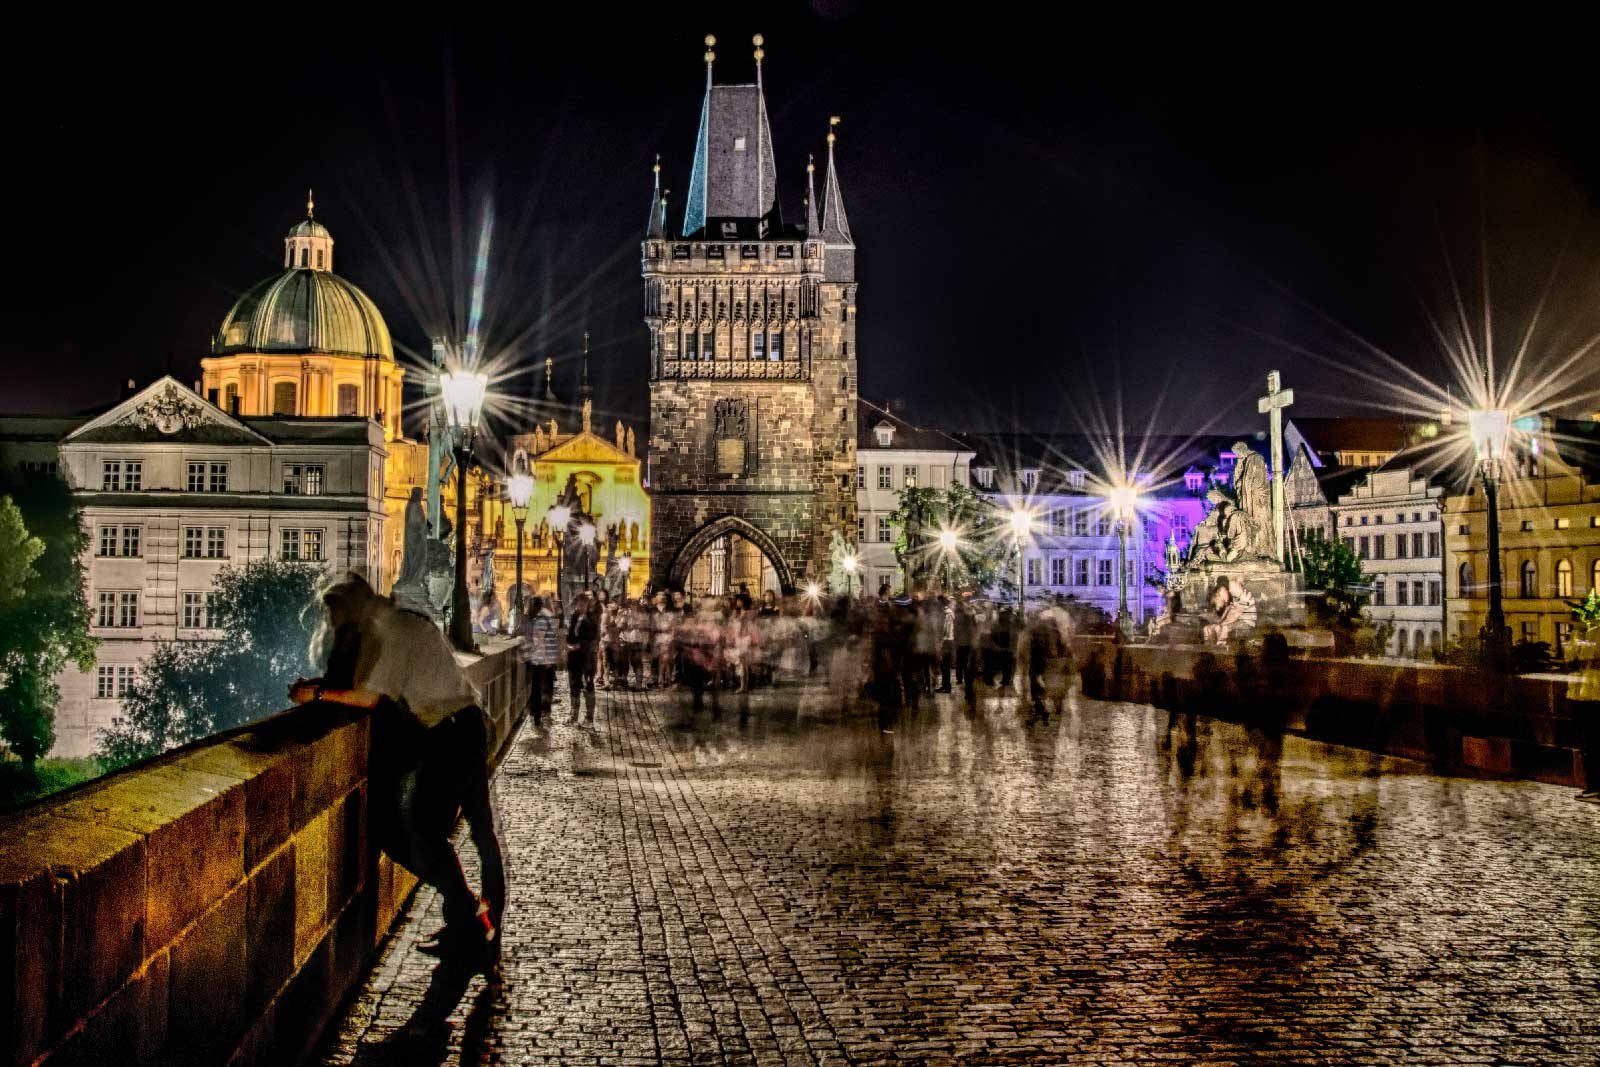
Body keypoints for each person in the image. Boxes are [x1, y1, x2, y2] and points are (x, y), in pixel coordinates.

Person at [289, 572, 505, 959]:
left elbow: (371, 696)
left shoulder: (393, 632)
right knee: (477, 828)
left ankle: (470, 918)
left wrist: (317, 693)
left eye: (337, 615)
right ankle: (478, 923)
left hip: (450, 732)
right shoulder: (406, 622)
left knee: (420, 833)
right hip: (465, 724)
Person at [516, 595, 560, 727]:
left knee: (537, 687)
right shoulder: (544, 615)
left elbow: (539, 639)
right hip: (541, 657)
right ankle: (539, 712)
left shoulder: (540, 617)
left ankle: (537, 714)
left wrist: (544, 658)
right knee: (541, 686)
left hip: (539, 658)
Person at [567, 593, 599, 721]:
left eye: (583, 604)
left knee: (588, 684)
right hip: (574, 656)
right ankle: (574, 714)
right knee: (574, 684)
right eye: (578, 604)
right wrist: (570, 645)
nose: (580, 607)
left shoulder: (591, 619)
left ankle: (589, 715)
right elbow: (570, 635)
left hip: (587, 658)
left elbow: (593, 638)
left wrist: (579, 645)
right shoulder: (574, 617)